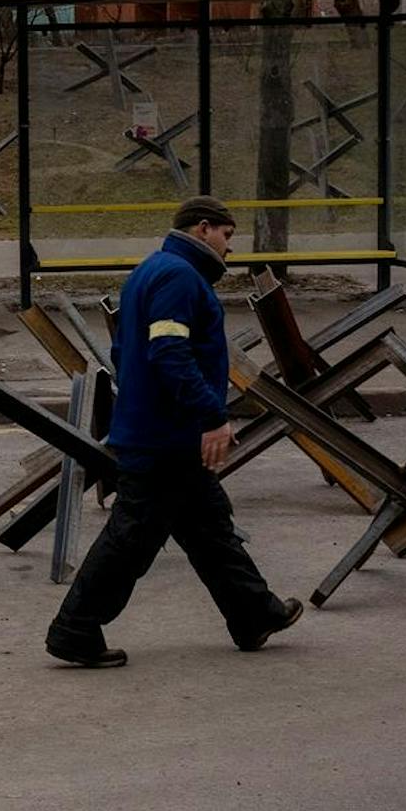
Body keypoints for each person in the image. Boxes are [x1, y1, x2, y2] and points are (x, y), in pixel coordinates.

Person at [46, 196, 302, 668]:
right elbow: (168, 351)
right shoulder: (180, 278)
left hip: (161, 429)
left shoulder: (153, 269)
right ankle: (75, 628)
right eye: (228, 235)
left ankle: (253, 613)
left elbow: (125, 351)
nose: (230, 248)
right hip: (166, 436)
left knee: (208, 526)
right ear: (204, 229)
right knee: (132, 536)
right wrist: (209, 415)